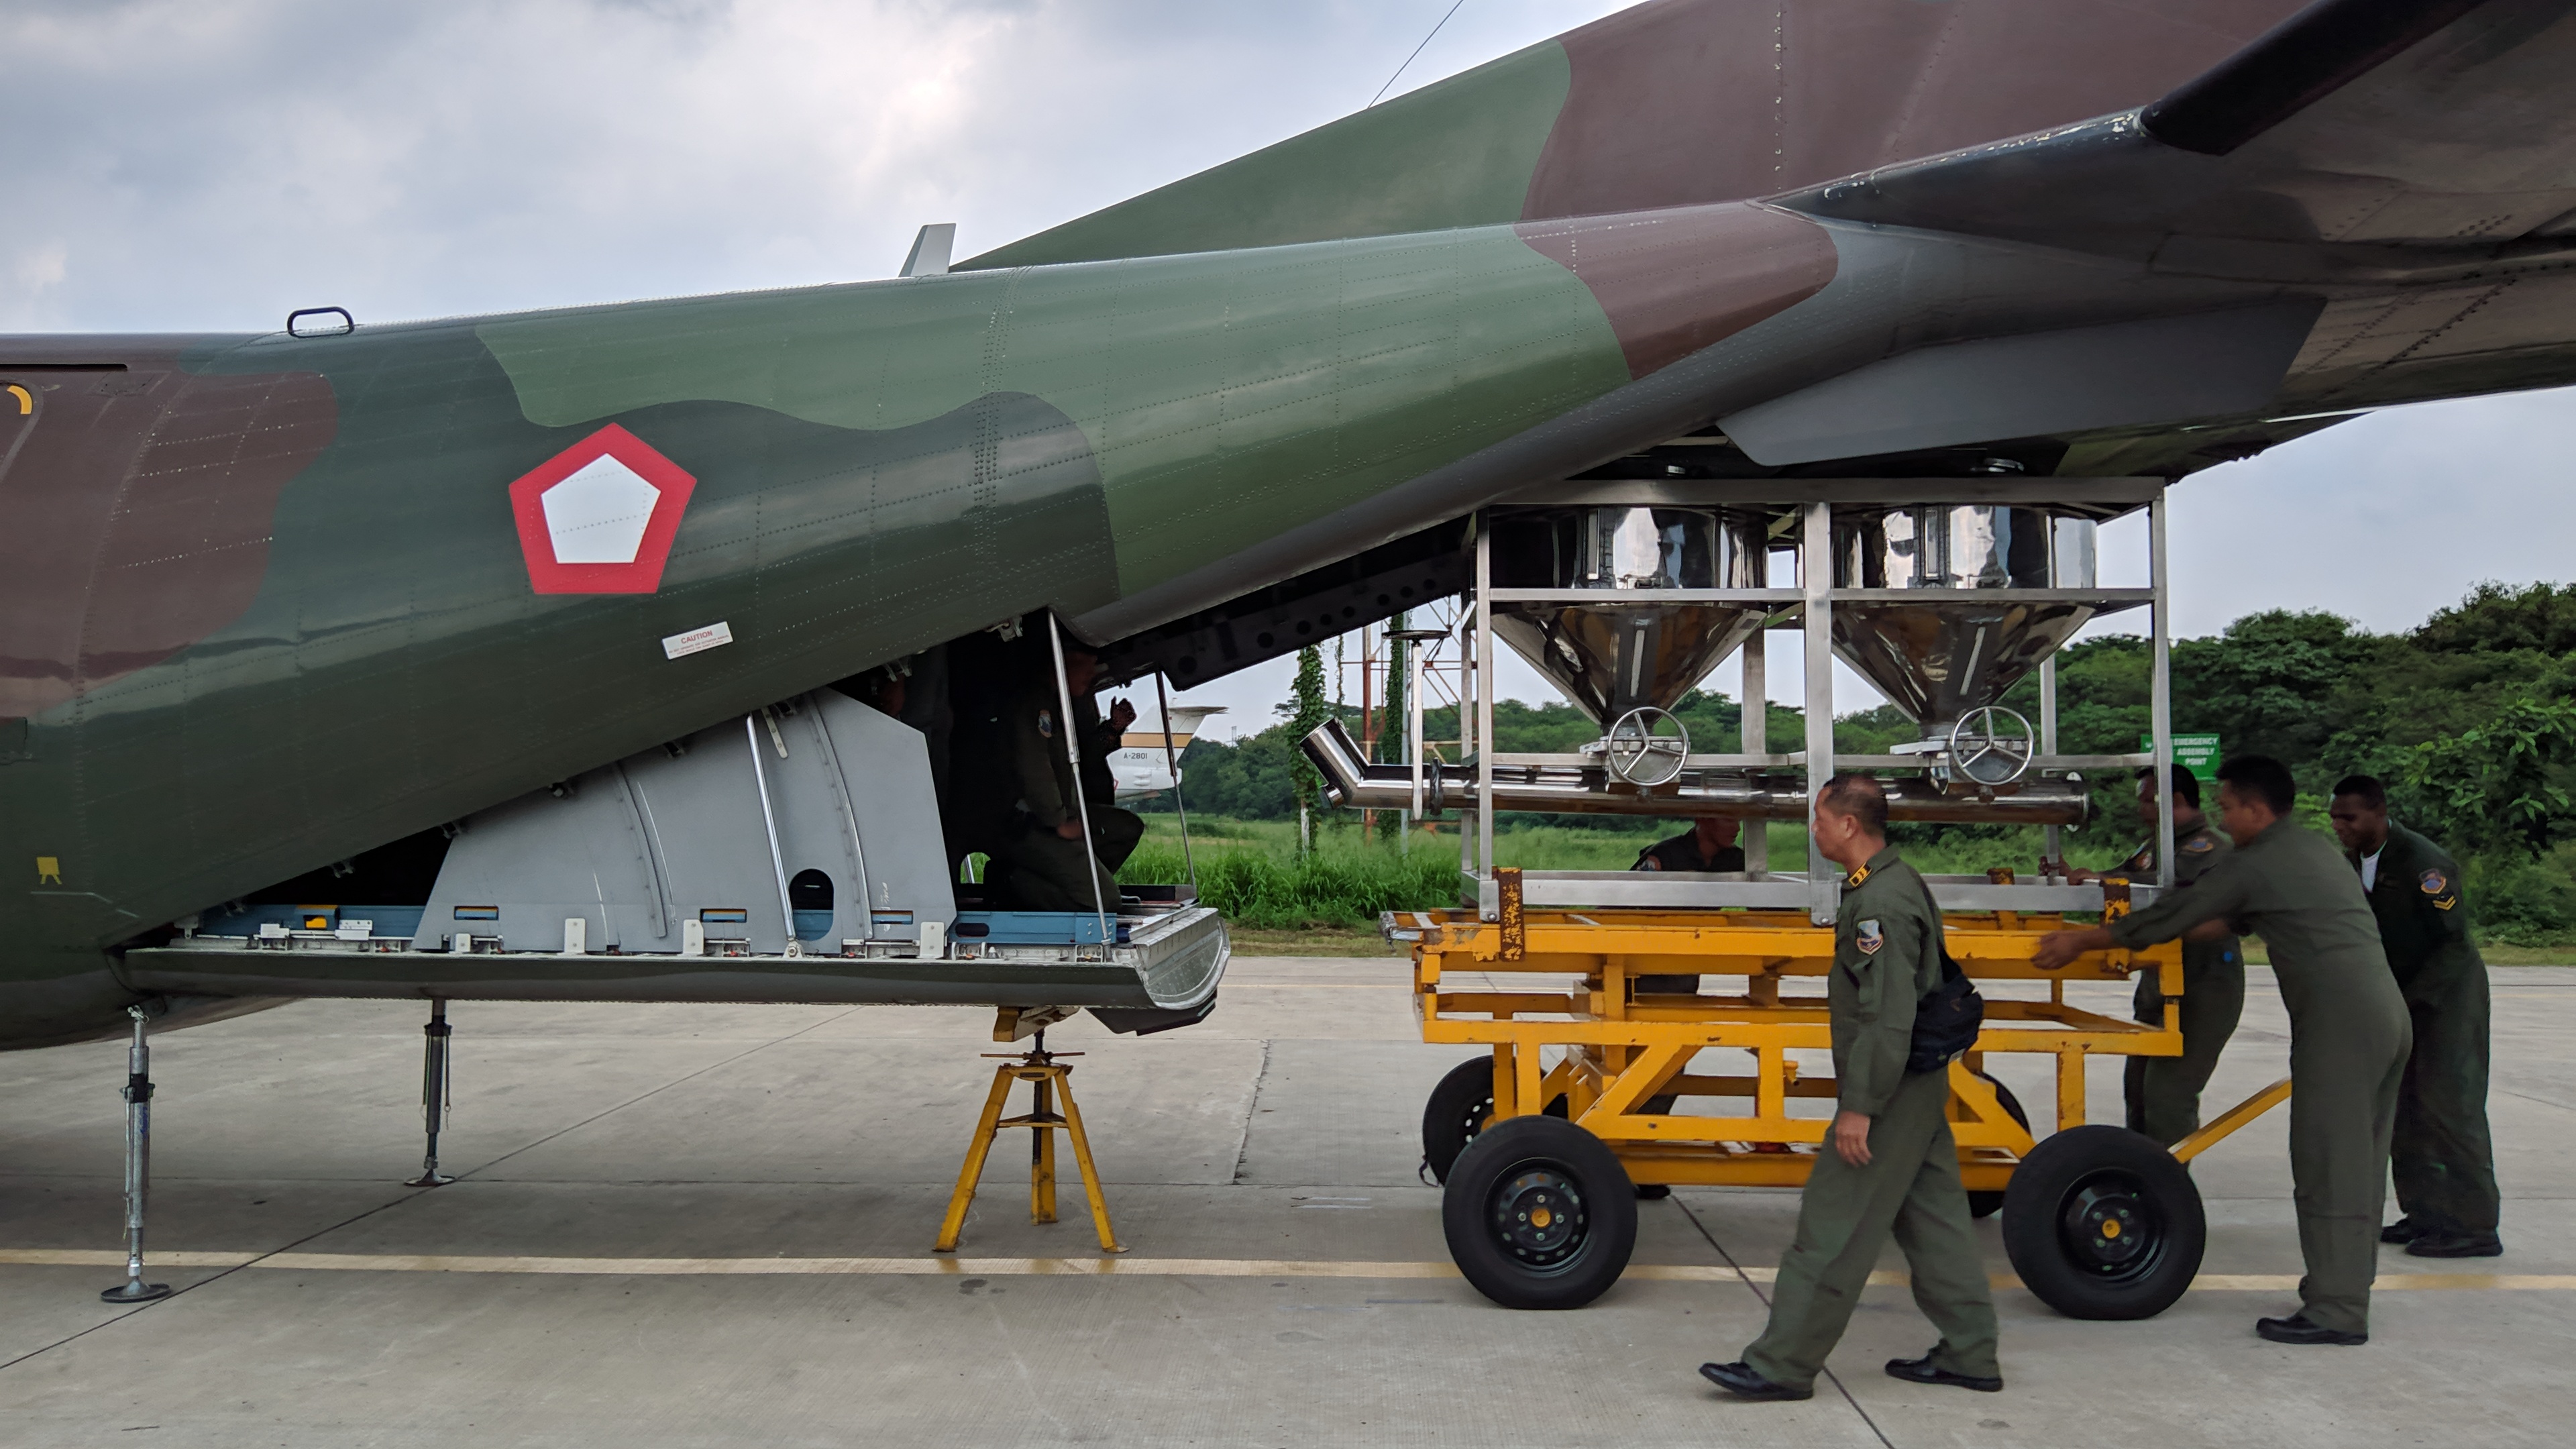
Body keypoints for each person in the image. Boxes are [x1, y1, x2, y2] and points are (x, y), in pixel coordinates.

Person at [2032, 756, 2410, 1346]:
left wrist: (2085, 940)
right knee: (2359, 1164)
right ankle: (2345, 1290)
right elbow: (2219, 923)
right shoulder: (2308, 849)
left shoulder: (2256, 862)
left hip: (2341, 1027)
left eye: (2229, 807)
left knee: (2328, 1165)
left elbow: (2180, 913)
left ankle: (2337, 1311)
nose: (2224, 818)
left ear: (2257, 809)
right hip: (2384, 1016)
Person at [1701, 774, 2001, 1402]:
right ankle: (1970, 1352)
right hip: (1915, 1083)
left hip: (1891, 1089)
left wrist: (1860, 1108)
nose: (1813, 829)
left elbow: (1887, 1016)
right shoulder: (1894, 881)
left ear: (1848, 825)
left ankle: (1783, 1364)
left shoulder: (1879, 904)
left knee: (1833, 1223)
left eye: (1818, 818)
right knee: (1935, 1220)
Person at [2328, 775, 2503, 1258]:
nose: (2340, 825)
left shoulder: (2424, 863)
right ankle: (2426, 1214)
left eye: (2349, 817)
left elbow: (2453, 943)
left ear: (2379, 812)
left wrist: (2408, 999)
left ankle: (2476, 1226)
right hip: (2400, 998)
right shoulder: (2356, 861)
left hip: (2448, 1000)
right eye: (2335, 817)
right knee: (2403, 1107)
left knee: (2450, 1107)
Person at [2059, 765, 2245, 1145]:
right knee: (2139, 1091)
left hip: (2202, 988)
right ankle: (2143, 1172)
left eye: (2147, 800)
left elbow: (2174, 899)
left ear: (2173, 800)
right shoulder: (2158, 846)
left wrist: (2103, 883)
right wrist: (2082, 877)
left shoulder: (2208, 849)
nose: (2140, 809)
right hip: (2158, 987)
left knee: (2168, 1097)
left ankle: (2167, 1176)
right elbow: (2121, 880)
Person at [991, 647, 1143, 913]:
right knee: (1106, 904)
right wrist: (1059, 822)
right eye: (1084, 664)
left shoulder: (1058, 701)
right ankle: (1014, 883)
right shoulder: (1036, 705)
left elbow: (1082, 755)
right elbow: (1035, 768)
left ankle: (1083, 887)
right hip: (1029, 822)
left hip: (1058, 813)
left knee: (1126, 827)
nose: (1092, 673)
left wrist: (1113, 728)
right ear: (1061, 663)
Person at [1635, 816, 1747, 873]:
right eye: (1729, 820)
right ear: (1701, 819)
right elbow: (1633, 897)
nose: (1737, 828)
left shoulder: (1737, 859)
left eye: (1739, 821)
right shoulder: (1664, 856)